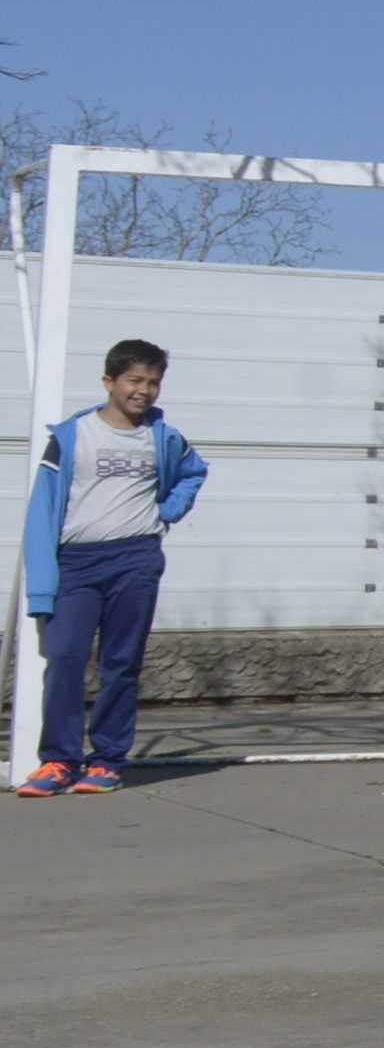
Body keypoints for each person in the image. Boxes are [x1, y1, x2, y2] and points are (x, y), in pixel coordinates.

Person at [21, 338, 205, 797]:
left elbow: (194, 471)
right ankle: (59, 760)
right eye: (134, 381)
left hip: (136, 559)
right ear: (109, 382)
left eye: (153, 383)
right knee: (63, 658)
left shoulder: (164, 438)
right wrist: (41, 585)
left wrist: (169, 509)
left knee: (120, 663)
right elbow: (41, 511)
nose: (143, 391)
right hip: (77, 563)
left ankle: (106, 760)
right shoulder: (70, 436)